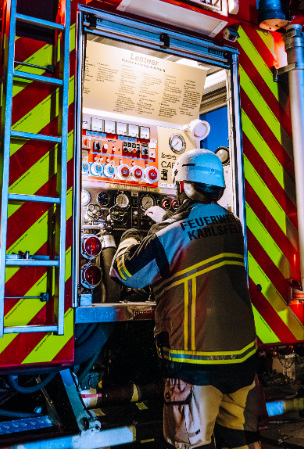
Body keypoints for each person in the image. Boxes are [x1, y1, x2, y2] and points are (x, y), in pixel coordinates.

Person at [108, 149, 264, 449]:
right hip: (242, 360)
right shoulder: (233, 225)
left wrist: (128, 236)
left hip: (195, 364)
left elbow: (126, 272)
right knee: (241, 440)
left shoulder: (170, 232)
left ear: (181, 185)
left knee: (190, 443)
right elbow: (198, 236)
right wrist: (166, 220)